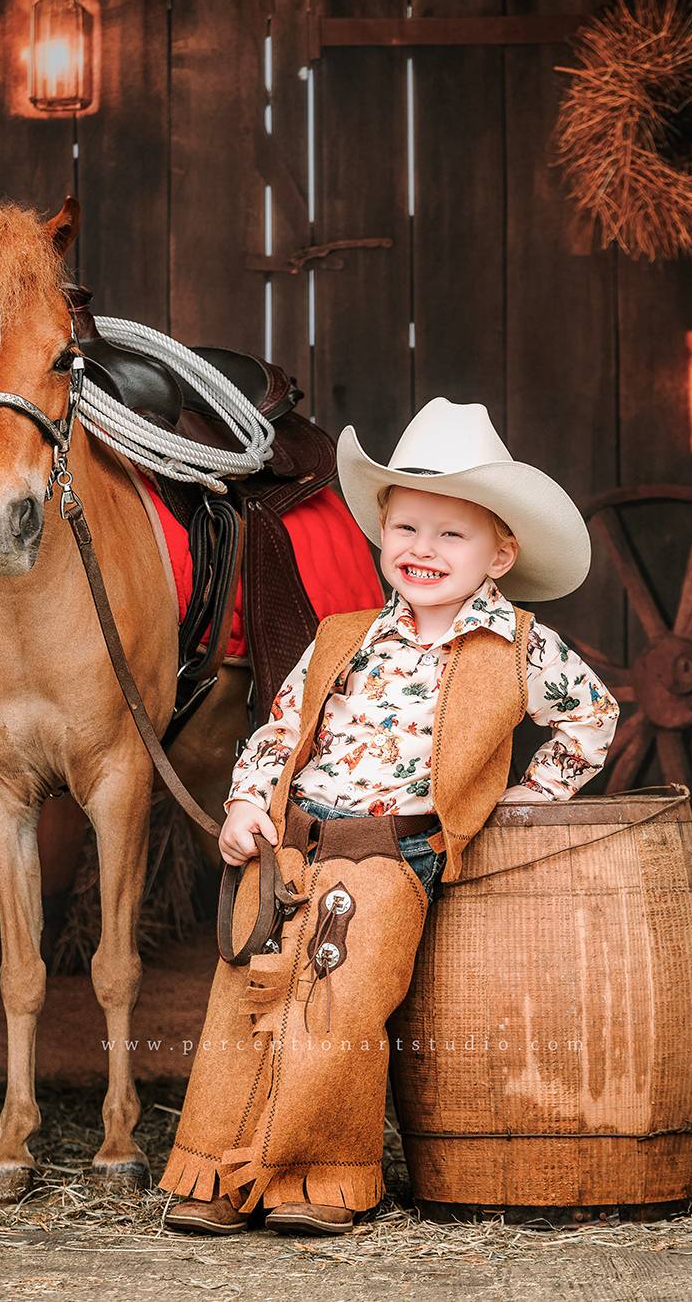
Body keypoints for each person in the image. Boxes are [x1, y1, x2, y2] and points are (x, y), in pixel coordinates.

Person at [159, 399, 620, 1237]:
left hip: (393, 858)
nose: (424, 550)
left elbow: (594, 717)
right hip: (293, 845)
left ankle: (317, 1177)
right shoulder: (343, 636)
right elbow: (281, 727)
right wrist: (242, 802)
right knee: (245, 1003)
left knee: (340, 1007)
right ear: (380, 534)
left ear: (499, 552)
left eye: (452, 534)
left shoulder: (520, 646)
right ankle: (215, 1174)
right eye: (408, 529)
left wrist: (527, 800)